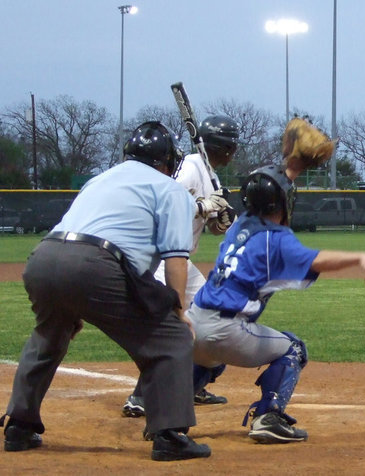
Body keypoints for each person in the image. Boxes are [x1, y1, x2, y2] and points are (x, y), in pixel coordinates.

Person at [2, 122, 210, 461]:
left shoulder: (99, 179)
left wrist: (73, 303)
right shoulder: (170, 190)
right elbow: (176, 259)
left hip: (43, 258)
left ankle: (19, 427)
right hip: (96, 263)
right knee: (171, 338)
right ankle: (170, 436)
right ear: (168, 163)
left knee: (49, 335)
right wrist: (179, 312)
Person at [188, 119, 365, 444]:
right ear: (282, 203)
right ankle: (269, 417)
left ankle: (170, 413)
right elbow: (317, 260)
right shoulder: (275, 238)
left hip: (193, 326)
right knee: (293, 348)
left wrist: (293, 165)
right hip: (226, 331)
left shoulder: (239, 227)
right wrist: (360, 258)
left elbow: (269, 187)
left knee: (210, 355)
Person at [122, 115, 240, 419]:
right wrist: (204, 205)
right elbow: (164, 206)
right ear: (223, 147)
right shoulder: (190, 168)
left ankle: (195, 383)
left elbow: (207, 221)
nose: (234, 153)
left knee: (215, 316)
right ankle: (141, 396)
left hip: (182, 260)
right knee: (171, 327)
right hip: (163, 259)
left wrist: (218, 220)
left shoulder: (208, 172)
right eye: (232, 146)